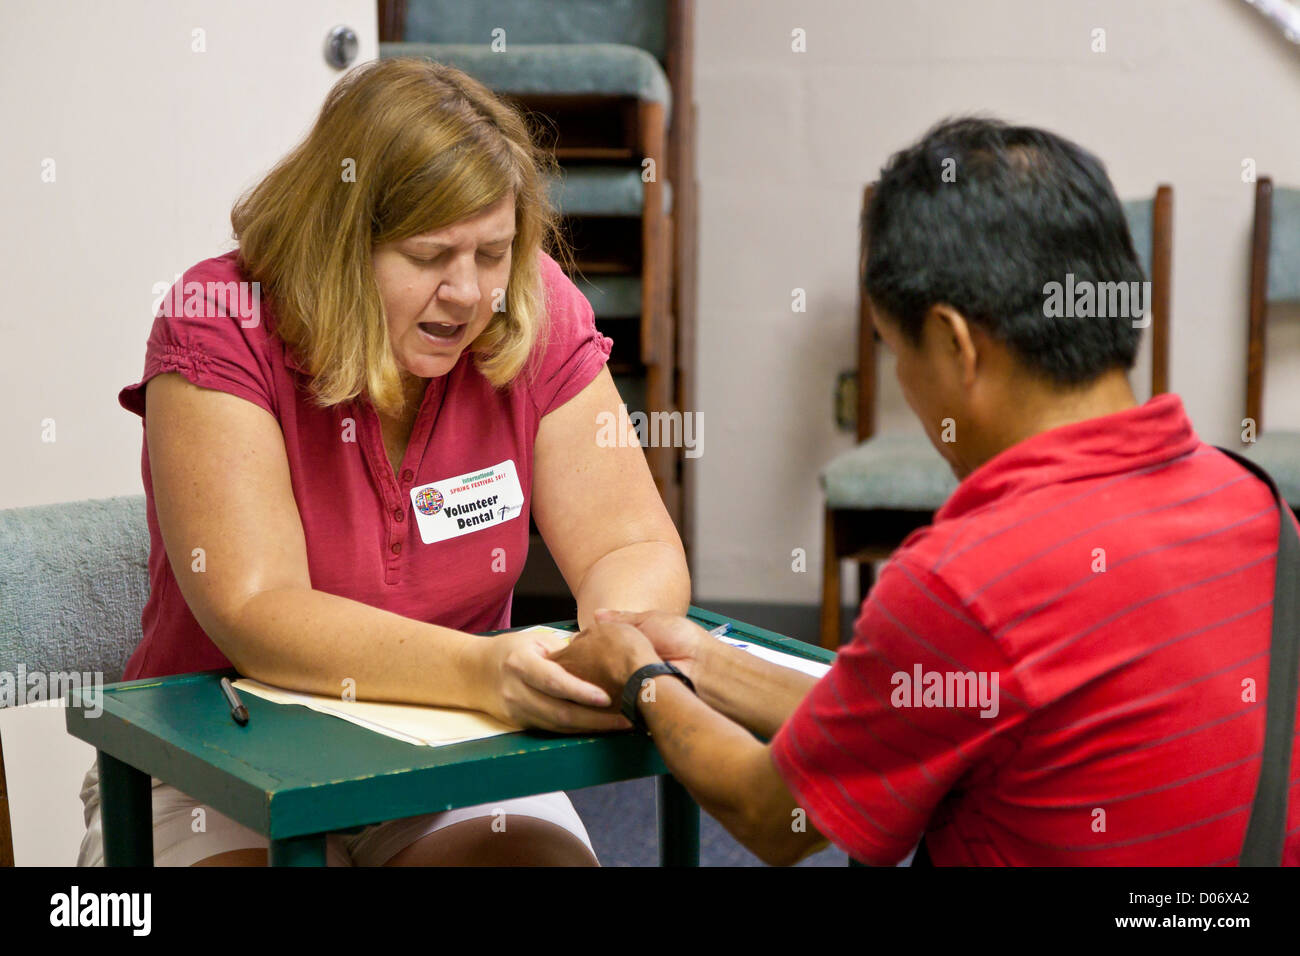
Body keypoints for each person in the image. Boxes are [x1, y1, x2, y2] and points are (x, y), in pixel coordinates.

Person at [552, 117, 1300, 866]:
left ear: (954, 344)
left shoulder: (970, 580)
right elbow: (947, 709)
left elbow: (766, 813)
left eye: (897, 351)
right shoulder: (1266, 511)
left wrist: (636, 675)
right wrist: (706, 664)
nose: (906, 385)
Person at [78, 56, 688, 867]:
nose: (469, 293)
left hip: (453, 747)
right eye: (430, 255)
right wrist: (481, 669)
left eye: (493, 252)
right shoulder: (220, 322)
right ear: (338, 245)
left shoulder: (532, 308)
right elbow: (260, 611)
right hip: (217, 763)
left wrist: (604, 649)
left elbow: (631, 547)